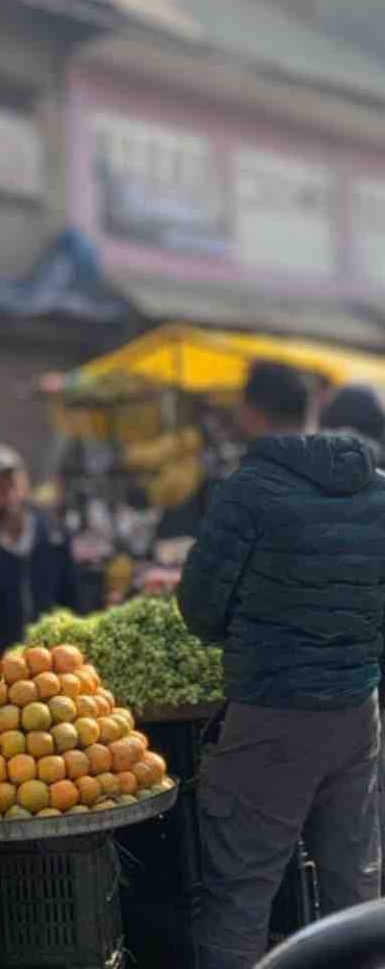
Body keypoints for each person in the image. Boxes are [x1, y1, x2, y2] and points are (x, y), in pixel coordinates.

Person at [178, 361, 385, 969]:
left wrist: (249, 635)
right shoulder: (376, 489)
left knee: (242, 896)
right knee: (356, 895)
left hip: (271, 713)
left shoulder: (250, 489)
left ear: (251, 412)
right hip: (358, 717)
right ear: (313, 408)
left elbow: (199, 606)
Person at [0, 444, 77, 655]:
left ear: (25, 481)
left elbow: (70, 590)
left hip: (51, 655)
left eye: (12, 479)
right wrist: (3, 547)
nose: (7, 487)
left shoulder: (51, 529)